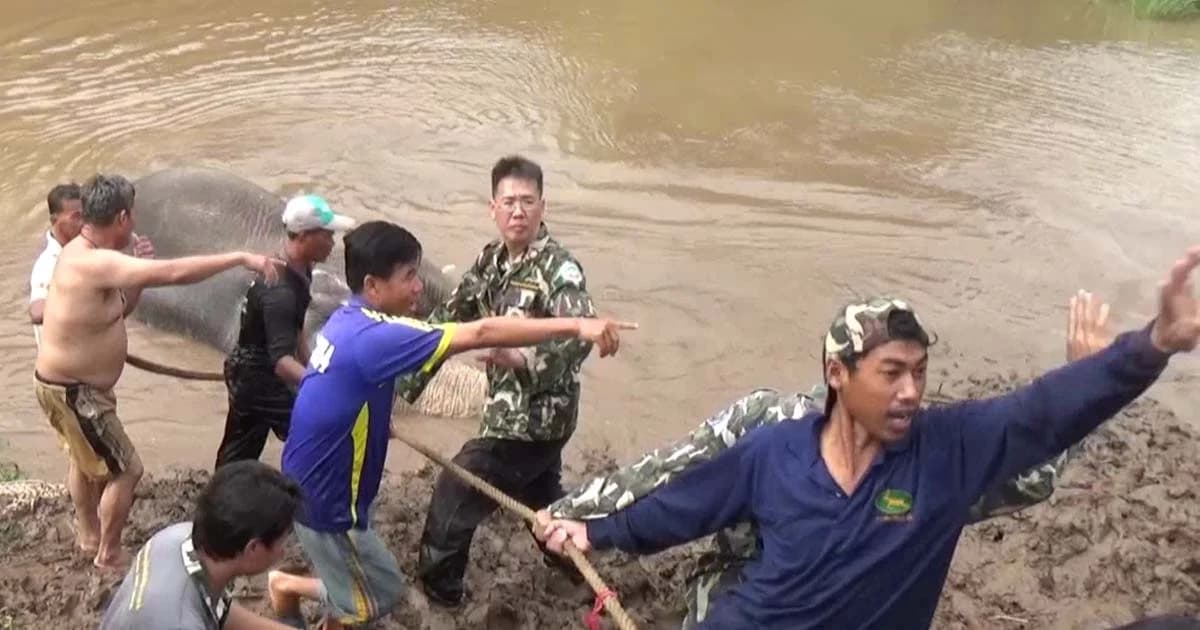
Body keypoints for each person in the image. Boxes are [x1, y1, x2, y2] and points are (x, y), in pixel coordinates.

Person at [538, 245, 1200, 629]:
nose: (912, 390)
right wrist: (588, 527)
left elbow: (1038, 422)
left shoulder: (946, 451)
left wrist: (1145, 349)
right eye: (891, 373)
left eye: (920, 371)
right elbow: (676, 494)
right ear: (837, 374)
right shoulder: (772, 439)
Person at [266, 220, 634, 629]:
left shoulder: (348, 319)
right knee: (378, 596)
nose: (419, 287)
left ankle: (295, 590)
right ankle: (286, 588)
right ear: (373, 286)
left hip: (316, 480)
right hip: (329, 502)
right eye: (409, 277)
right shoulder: (379, 338)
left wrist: (374, 417)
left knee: (359, 585)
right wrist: (578, 325)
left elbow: (346, 387)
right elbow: (481, 331)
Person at [34, 173, 280, 571]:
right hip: (75, 392)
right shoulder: (95, 262)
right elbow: (175, 273)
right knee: (127, 470)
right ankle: (108, 554)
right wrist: (240, 257)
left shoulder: (80, 250)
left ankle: (88, 535)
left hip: (67, 387)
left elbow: (121, 309)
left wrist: (136, 269)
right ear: (123, 217)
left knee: (84, 462)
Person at [394, 155, 601, 606]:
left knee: (457, 491)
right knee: (541, 501)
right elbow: (452, 317)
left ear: (543, 207)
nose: (518, 211)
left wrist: (524, 358)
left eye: (528, 201)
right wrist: (401, 372)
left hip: (533, 420)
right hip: (509, 411)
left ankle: (440, 596)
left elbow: (580, 337)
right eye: (509, 201)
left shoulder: (559, 270)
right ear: (493, 208)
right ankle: (581, 570)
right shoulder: (491, 261)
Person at [213, 194, 356, 468]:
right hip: (260, 380)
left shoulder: (299, 271)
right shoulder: (280, 290)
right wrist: (324, 386)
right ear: (303, 237)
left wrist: (315, 367)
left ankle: (223, 494)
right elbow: (281, 362)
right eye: (327, 235)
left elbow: (297, 329)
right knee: (320, 433)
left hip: (252, 375)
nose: (332, 242)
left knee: (239, 452)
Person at [100, 460, 303, 630]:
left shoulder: (179, 537)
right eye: (282, 540)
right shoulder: (179, 623)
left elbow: (216, 610)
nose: (283, 551)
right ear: (254, 548)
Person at [28, 183, 86, 344]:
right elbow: (37, 312)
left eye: (85, 215)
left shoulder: (80, 249)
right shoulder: (48, 263)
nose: (82, 223)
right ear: (54, 220)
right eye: (75, 217)